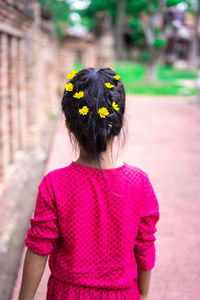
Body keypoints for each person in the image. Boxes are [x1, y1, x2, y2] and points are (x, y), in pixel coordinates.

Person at [18, 67, 160, 300]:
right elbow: (145, 246)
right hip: (123, 295)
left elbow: (38, 247)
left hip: (67, 294)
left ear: (68, 126)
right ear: (120, 122)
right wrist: (143, 295)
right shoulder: (139, 182)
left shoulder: (55, 184)